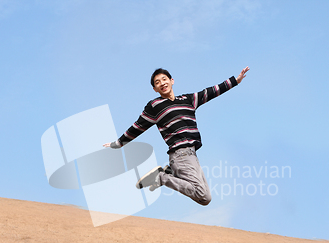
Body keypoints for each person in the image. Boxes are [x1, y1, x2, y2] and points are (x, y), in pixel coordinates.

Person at [103, 66, 250, 206]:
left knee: (206, 198)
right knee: (203, 196)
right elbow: (138, 126)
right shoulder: (155, 106)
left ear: (172, 81)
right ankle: (162, 177)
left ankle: (170, 172)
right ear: (154, 89)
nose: (162, 83)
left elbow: (209, 92)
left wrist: (234, 81)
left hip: (192, 155)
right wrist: (119, 143)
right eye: (157, 82)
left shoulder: (188, 100)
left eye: (164, 79)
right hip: (180, 155)